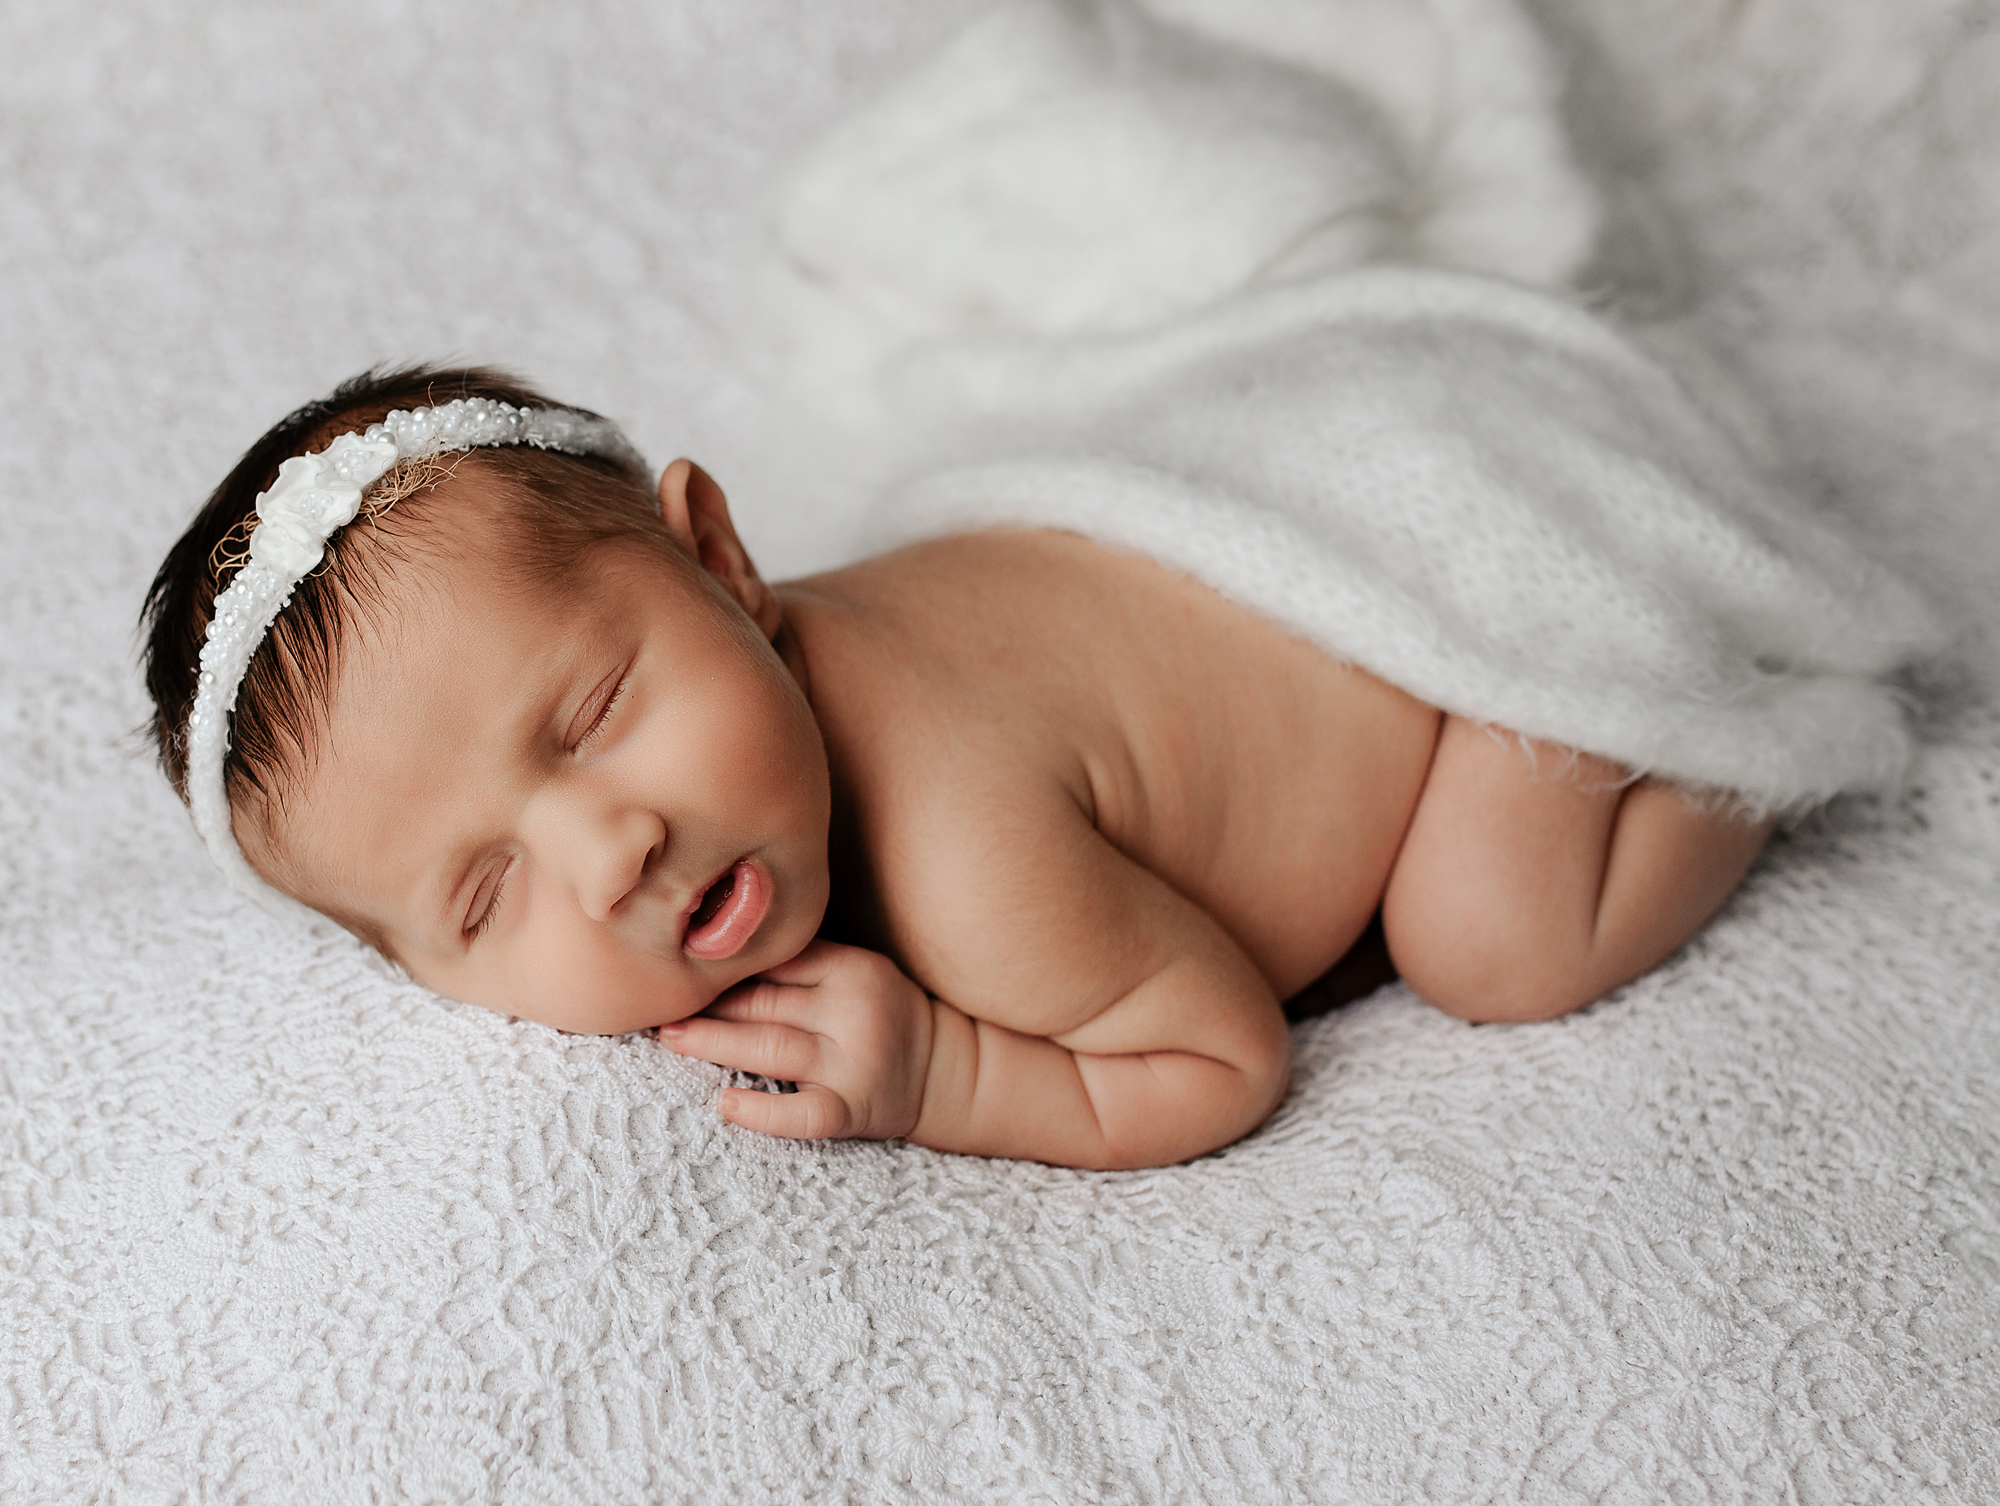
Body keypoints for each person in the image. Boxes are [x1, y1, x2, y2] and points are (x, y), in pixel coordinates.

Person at [141, 363, 1777, 1171]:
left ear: (723, 562)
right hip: (1330, 501)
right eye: (485, 894)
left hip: (1454, 634)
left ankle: (1733, 720)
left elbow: (1223, 1052)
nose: (611, 848)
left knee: (1491, 941)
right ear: (424, 975)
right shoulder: (754, 723)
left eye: (592, 713)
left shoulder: (965, 850)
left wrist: (946, 1074)